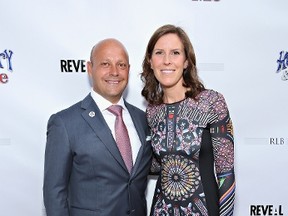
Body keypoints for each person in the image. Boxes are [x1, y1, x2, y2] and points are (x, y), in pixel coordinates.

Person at [43, 38, 152, 216]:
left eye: (121, 65)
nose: (114, 72)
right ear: (89, 68)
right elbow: (54, 193)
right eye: (105, 64)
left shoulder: (142, 119)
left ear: (129, 70)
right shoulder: (64, 123)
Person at [141, 24, 236, 216]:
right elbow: (157, 163)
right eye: (159, 53)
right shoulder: (152, 110)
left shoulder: (212, 102)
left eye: (175, 53)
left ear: (186, 61)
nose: (167, 61)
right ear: (151, 61)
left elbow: (226, 174)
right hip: (161, 211)